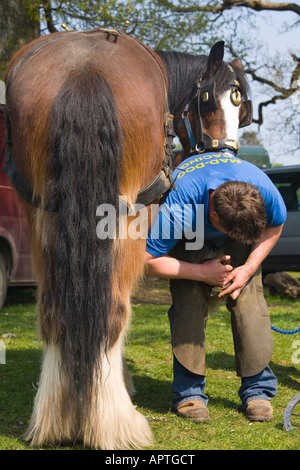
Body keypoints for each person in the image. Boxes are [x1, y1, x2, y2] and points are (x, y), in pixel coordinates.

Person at [145, 149, 287, 423]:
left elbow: (275, 226)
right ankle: (189, 394)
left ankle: (258, 390)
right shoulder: (180, 208)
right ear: (213, 215)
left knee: (248, 299)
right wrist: (200, 272)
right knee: (188, 303)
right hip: (190, 235)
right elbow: (148, 260)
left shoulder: (264, 190)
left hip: (231, 224)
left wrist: (247, 269)